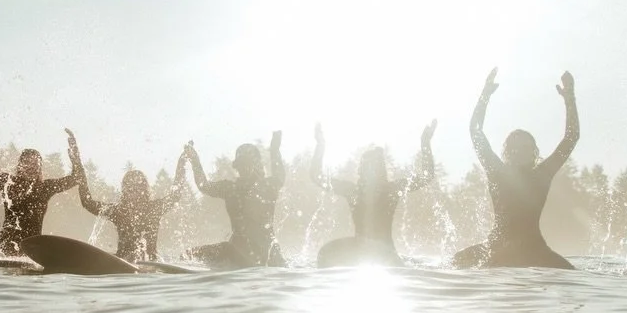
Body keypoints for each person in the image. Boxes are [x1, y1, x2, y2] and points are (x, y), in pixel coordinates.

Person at [452, 68, 579, 269]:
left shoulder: (541, 175)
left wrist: (569, 98)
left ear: (534, 152)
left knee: (573, 276)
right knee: (452, 263)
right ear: (508, 152)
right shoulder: (497, 172)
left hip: (534, 249)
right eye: (514, 148)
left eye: (525, 147)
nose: (519, 151)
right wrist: (485, 94)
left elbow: (571, 138)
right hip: (495, 247)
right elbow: (475, 131)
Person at [311, 120, 437, 266]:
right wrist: (320, 145)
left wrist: (425, 142)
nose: (370, 171)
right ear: (361, 170)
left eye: (373, 167)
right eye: (367, 167)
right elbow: (317, 177)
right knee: (325, 253)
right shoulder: (356, 191)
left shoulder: (389, 190)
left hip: (384, 253)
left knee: (326, 253)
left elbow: (426, 176)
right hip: (372, 252)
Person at [67, 134, 190, 262]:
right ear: (124, 190)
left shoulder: (154, 209)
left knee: (142, 256)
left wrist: (182, 162)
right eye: (129, 187)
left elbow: (175, 195)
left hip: (150, 263)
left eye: (137, 187)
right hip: (122, 263)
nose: (133, 190)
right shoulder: (118, 211)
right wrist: (77, 162)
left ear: (144, 189)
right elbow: (87, 203)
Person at [0, 117, 80, 257]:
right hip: (4, 247)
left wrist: (75, 156)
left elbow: (76, 177)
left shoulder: (45, 187)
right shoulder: (8, 183)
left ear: (40, 168)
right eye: (28, 163)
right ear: (20, 166)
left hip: (31, 249)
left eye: (36, 164)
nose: (32, 167)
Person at [183, 133, 286, 268]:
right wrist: (195, 160)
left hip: (266, 253)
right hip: (238, 252)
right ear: (236, 166)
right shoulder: (230, 189)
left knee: (192, 254)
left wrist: (274, 150)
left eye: (248, 164)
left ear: (257, 166)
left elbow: (279, 174)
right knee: (188, 254)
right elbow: (204, 185)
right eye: (241, 165)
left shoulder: (268, 187)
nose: (244, 169)